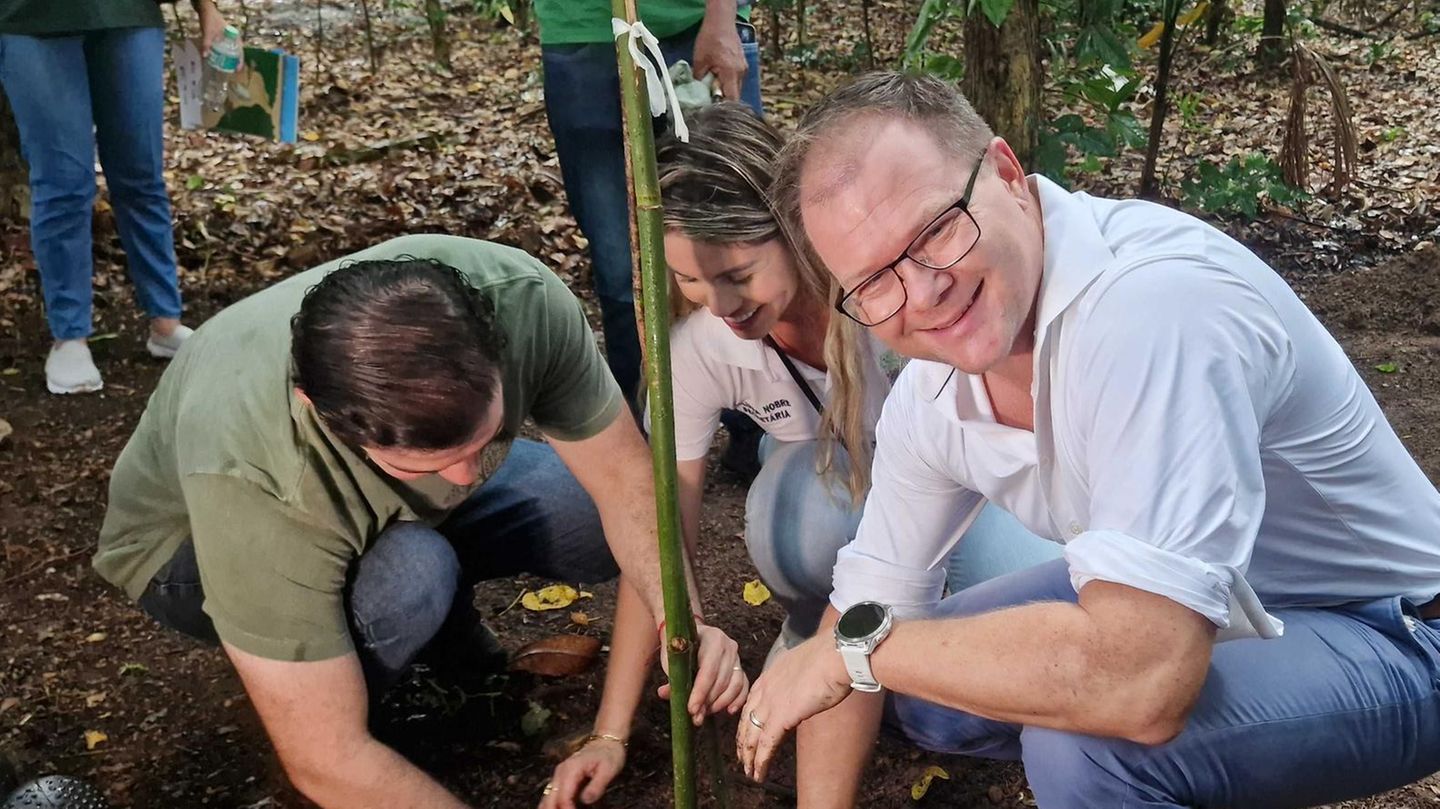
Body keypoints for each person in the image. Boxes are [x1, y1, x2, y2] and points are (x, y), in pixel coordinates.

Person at [736, 72, 1440, 808]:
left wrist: (853, 654)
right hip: (1221, 593)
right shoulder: (931, 389)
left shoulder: (1151, 310)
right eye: (875, 279)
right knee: (922, 682)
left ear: (1006, 174)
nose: (922, 290)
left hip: (1395, 625)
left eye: (935, 229)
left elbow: (1141, 685)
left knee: (1091, 745)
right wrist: (856, 654)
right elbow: (868, 608)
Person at [93, 235, 747, 809]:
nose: (464, 479)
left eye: (482, 440)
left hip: (347, 497)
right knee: (412, 575)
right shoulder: (255, 471)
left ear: (495, 347)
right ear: (318, 410)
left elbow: (628, 484)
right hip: (184, 550)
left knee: (575, 508)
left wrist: (677, 615)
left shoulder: (521, 299)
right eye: (426, 463)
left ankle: (440, 620)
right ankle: (352, 678)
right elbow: (323, 757)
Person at [540, 103, 1058, 809]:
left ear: (793, 230)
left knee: (1021, 601)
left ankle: (895, 655)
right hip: (848, 516)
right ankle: (826, 629)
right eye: (689, 281)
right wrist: (611, 729)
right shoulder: (701, 347)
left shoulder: (889, 293)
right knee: (803, 508)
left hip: (968, 492)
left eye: (738, 273)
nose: (718, 303)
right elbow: (657, 531)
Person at [535, 0, 762, 404]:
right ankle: (647, 427)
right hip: (584, 32)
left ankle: (755, 423)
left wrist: (721, 17)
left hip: (698, 25)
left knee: (734, 241)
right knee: (623, 265)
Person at [0, 0, 227, 394]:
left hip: (129, 12)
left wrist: (205, 6)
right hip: (29, 16)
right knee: (63, 183)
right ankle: (69, 336)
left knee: (141, 174)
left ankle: (165, 321)